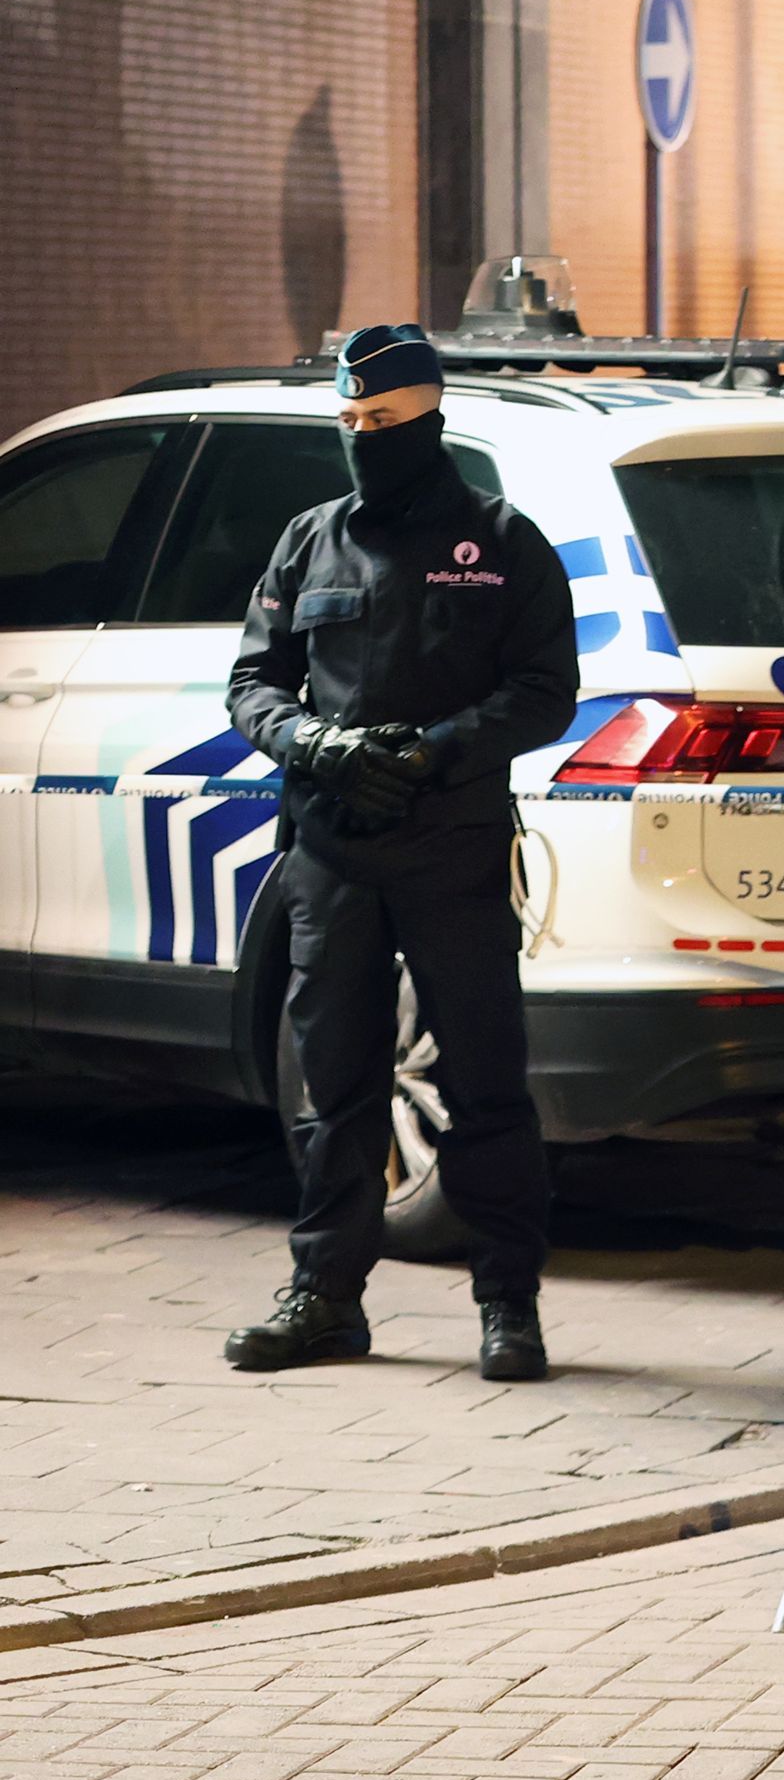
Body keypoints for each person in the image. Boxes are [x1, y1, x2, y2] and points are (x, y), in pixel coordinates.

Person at [220, 325, 578, 1379]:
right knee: (336, 1089)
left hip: (452, 849)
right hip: (331, 853)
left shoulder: (504, 542)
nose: (364, 437)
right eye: (352, 421)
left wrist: (433, 752)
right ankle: (326, 1297)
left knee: (484, 1084)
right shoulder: (308, 541)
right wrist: (317, 744)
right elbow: (254, 683)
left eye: (383, 419)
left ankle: (509, 1304)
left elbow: (544, 691)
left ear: (430, 415)